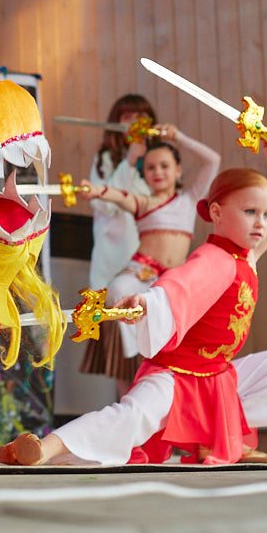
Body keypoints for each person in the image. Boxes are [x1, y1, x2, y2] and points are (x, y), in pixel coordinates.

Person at [0, 128, 267, 466]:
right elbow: (179, 284)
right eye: (250, 212)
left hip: (217, 376)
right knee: (129, 417)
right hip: (176, 375)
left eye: (265, 214)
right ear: (216, 213)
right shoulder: (214, 258)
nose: (261, 223)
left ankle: (218, 438)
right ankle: (43, 448)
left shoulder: (247, 256)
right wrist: (148, 302)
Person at [81, 122, 221, 395]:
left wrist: (179, 135)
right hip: (141, 274)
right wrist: (96, 191)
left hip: (174, 281)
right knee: (118, 291)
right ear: (143, 173)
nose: (158, 172)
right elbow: (117, 196)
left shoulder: (190, 199)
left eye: (165, 166)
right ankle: (140, 362)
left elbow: (212, 160)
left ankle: (160, 367)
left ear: (178, 170)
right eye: (151, 167)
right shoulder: (143, 202)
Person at [79, 94, 155, 392]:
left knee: (151, 354)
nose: (135, 124)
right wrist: (130, 161)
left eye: (142, 118)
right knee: (123, 363)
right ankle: (128, 430)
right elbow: (106, 205)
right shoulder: (105, 160)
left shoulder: (158, 161)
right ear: (116, 123)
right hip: (113, 270)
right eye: (128, 118)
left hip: (150, 267)